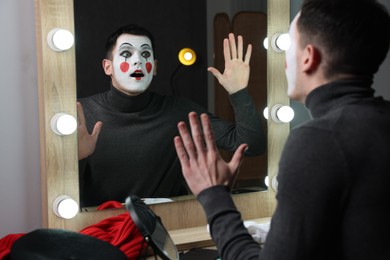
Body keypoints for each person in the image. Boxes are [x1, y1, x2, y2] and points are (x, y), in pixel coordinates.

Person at [174, 0, 390, 259]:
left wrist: (213, 195)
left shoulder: (318, 142)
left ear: (308, 57)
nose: (285, 61)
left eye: (289, 44)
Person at [77, 24, 266, 207]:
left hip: (168, 227)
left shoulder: (179, 111)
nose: (138, 61)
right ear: (107, 67)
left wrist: (238, 92)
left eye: (145, 54)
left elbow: (252, 145)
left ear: (155, 67)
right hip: (102, 231)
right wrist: (77, 158)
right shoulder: (82, 113)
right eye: (126, 53)